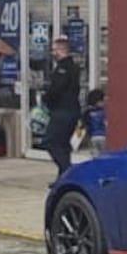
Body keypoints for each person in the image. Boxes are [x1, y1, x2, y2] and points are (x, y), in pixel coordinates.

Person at [41, 35, 85, 172]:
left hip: (63, 111)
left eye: (55, 50)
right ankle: (63, 177)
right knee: (63, 144)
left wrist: (45, 99)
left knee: (51, 142)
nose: (52, 53)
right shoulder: (74, 67)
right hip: (71, 110)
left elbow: (57, 89)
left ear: (62, 50)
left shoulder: (63, 68)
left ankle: (67, 170)